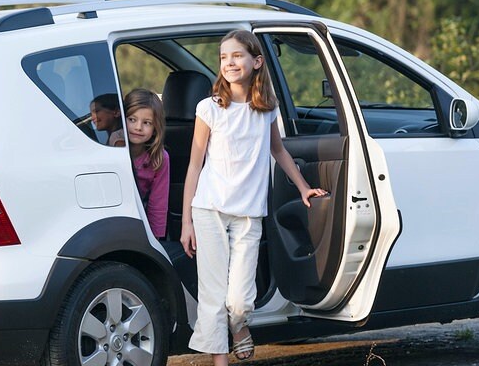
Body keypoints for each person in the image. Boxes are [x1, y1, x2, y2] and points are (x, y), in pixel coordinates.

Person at [180, 29, 327, 365]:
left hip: (249, 214)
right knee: (213, 295)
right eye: (223, 57)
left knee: (240, 300)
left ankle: (239, 324)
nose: (229, 62)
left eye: (237, 55)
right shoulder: (210, 109)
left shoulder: (266, 109)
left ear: (256, 62)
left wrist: (304, 187)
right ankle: (220, 361)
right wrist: (186, 220)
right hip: (209, 209)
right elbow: (194, 165)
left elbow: (279, 151)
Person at [123, 88, 170, 239]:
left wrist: (155, 238)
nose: (138, 127)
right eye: (132, 119)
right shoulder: (109, 147)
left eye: (147, 123)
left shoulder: (159, 158)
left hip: (138, 222)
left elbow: (158, 204)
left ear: (155, 128)